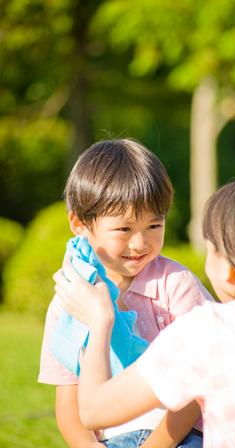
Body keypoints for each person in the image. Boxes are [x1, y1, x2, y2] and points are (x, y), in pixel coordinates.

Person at [54, 172, 235, 447]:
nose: (139, 242)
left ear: (230, 271)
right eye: (124, 229)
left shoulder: (209, 329)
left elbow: (93, 411)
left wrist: (100, 318)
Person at [39, 138, 212, 447]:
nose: (140, 243)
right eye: (124, 229)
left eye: (154, 226)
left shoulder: (175, 285)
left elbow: (194, 387)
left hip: (180, 434)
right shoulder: (70, 297)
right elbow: (68, 400)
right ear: (79, 223)